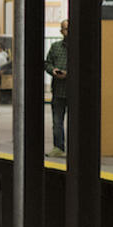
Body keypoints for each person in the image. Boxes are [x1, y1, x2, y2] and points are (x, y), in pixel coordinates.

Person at [44, 20, 69, 157]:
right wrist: (53, 70)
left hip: (73, 91)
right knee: (57, 121)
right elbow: (47, 63)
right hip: (58, 91)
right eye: (66, 29)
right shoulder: (55, 47)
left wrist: (68, 74)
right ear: (61, 31)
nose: (68, 32)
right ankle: (58, 147)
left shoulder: (78, 48)